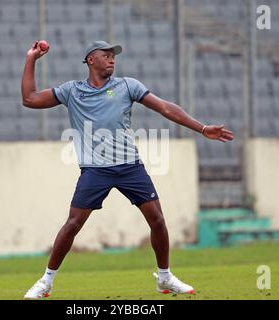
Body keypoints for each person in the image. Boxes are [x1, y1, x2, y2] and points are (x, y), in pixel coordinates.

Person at [21, 40, 234, 299]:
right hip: (95, 169)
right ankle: (47, 281)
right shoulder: (72, 91)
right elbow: (29, 99)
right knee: (73, 224)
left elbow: (165, 107)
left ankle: (165, 277)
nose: (112, 59)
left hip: (129, 166)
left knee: (157, 219)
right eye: (106, 55)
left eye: (114, 56)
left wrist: (201, 128)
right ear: (90, 60)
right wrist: (31, 59)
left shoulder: (126, 85)